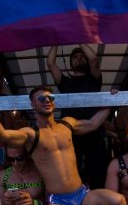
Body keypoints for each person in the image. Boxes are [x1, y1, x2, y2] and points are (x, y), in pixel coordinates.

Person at [0, 85, 126, 205]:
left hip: (81, 195)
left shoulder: (67, 124)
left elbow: (94, 123)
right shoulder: (31, 134)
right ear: (32, 104)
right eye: (41, 98)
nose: (47, 100)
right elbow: (3, 135)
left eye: (50, 98)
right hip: (58, 201)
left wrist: (110, 101)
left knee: (118, 202)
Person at [46, 45, 108, 189]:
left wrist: (78, 36)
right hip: (70, 134)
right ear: (70, 62)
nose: (79, 59)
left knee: (97, 173)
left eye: (82, 57)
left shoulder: (94, 78)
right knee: (72, 172)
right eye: (75, 57)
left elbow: (94, 58)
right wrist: (57, 40)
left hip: (94, 132)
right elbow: (50, 63)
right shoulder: (64, 81)